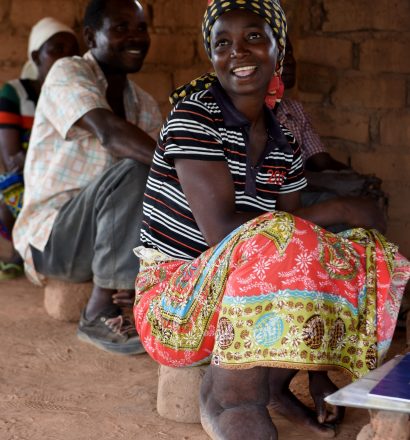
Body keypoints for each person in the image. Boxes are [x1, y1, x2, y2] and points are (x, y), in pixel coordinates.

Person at [133, 1, 410, 439]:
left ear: (278, 50)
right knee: (280, 232)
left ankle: (280, 381)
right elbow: (225, 230)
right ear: (213, 57)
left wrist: (318, 373)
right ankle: (229, 398)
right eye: (223, 43)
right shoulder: (194, 116)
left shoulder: (284, 136)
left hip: (237, 293)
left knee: (363, 250)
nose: (237, 53)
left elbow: (301, 245)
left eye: (254, 38)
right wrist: (339, 207)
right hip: (175, 305)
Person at [13, 0, 162, 355]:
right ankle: (97, 309)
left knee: (153, 177)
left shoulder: (144, 104)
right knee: (136, 167)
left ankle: (126, 282)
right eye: (121, 28)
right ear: (91, 37)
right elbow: (110, 133)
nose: (135, 37)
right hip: (52, 239)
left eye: (141, 28)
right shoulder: (67, 72)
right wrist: (186, 170)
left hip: (100, 240)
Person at [276, 36, 388, 232]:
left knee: (360, 215)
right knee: (343, 217)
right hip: (274, 203)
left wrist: (355, 180)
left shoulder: (294, 110)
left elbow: (322, 161)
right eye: (281, 55)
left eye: (290, 53)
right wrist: (342, 208)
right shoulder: (253, 117)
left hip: (295, 196)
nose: (290, 61)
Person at [0, 17, 79, 280]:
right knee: (10, 188)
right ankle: (19, 250)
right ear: (36, 56)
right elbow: (12, 157)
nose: (66, 57)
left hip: (67, 174)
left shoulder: (77, 91)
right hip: (30, 176)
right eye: (56, 49)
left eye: (72, 51)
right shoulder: (14, 93)